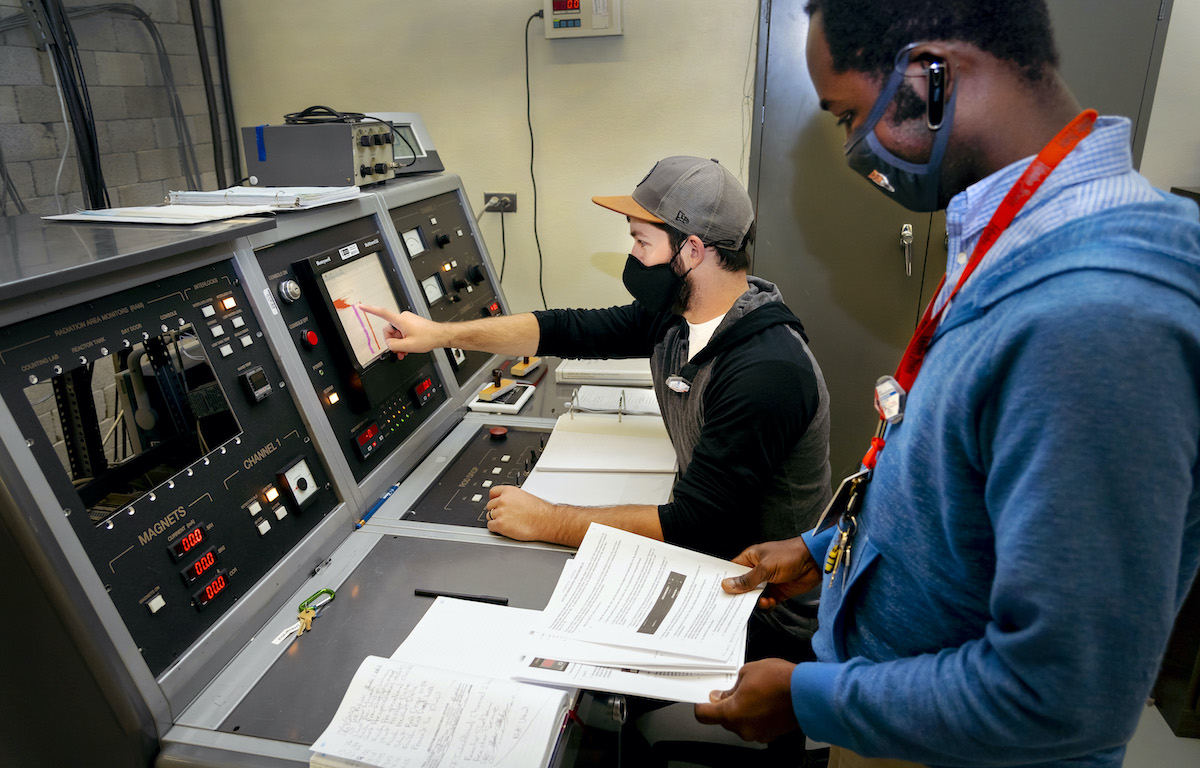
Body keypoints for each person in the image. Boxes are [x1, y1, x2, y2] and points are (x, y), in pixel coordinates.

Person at [694, 2, 1200, 767]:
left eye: (849, 116)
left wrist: (807, 697)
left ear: (931, 76)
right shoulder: (1010, 233)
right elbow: (961, 491)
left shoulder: (1096, 315)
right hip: (896, 709)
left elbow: (1058, 697)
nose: (853, 148)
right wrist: (823, 548)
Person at [364, 158, 831, 649]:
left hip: (757, 610)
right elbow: (566, 328)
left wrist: (547, 520)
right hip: (711, 561)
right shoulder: (678, 316)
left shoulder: (766, 370)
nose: (632, 254)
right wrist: (440, 334)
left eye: (642, 241)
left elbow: (697, 528)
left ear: (692, 251)